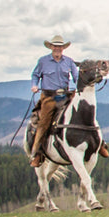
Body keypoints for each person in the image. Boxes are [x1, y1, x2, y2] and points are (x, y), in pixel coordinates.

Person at [30, 34, 78, 167]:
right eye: (55, 46)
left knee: (82, 111)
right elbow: (35, 75)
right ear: (51, 47)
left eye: (60, 46)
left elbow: (76, 76)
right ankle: (37, 152)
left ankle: (97, 142)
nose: (58, 48)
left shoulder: (69, 61)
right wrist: (34, 85)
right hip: (49, 97)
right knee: (44, 123)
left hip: (66, 95)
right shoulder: (43, 61)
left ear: (63, 48)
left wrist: (80, 85)